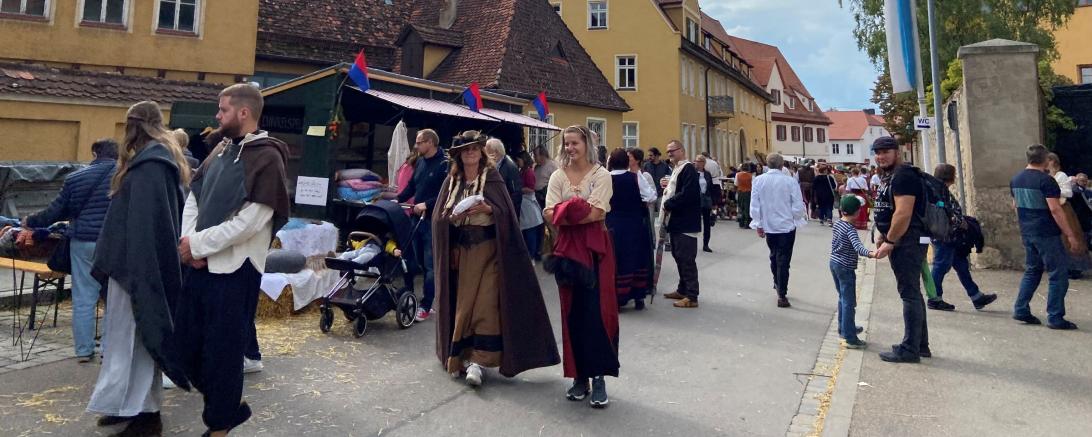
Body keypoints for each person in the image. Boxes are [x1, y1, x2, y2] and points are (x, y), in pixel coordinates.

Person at [174, 85, 290, 436]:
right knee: (183, 347)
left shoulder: (267, 156)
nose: (217, 115)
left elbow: (251, 222)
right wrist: (189, 242)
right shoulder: (221, 150)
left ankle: (220, 424)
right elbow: (194, 195)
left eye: (223, 110)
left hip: (235, 271)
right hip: (200, 266)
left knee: (223, 354)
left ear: (243, 113)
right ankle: (229, 407)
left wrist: (197, 246)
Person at [87, 101, 192, 436]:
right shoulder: (152, 161)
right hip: (132, 269)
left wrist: (143, 277)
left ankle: (145, 413)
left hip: (139, 271)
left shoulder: (151, 166)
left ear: (137, 126)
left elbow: (146, 230)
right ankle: (123, 406)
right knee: (123, 340)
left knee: (140, 340)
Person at [432, 131, 560, 387]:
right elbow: (438, 217)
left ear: (481, 152)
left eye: (474, 149)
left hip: (490, 251)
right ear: (458, 155)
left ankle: (479, 361)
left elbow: (507, 211)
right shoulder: (452, 180)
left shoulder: (491, 177)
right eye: (465, 150)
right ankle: (460, 356)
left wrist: (490, 208)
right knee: (463, 304)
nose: (470, 153)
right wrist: (452, 219)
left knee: (486, 304)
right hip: (460, 253)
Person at [543, 125, 619, 408]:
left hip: (595, 249)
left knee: (597, 313)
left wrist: (567, 211)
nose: (570, 148)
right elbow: (549, 213)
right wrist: (576, 209)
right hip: (566, 251)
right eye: (567, 144)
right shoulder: (557, 176)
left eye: (575, 143)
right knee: (571, 313)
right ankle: (579, 377)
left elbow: (597, 212)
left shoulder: (602, 176)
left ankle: (599, 376)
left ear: (587, 144)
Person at [23, 139, 116, 363]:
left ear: (95, 154)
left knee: (84, 297)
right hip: (113, 244)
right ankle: (108, 350)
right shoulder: (125, 176)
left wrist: (31, 221)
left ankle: (84, 351)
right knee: (113, 299)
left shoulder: (75, 178)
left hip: (82, 241)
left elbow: (56, 211)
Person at [871, 136, 931, 363]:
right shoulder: (892, 176)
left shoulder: (903, 176)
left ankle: (910, 349)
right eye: (877, 152)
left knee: (909, 294)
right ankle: (920, 344)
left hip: (908, 241)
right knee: (912, 292)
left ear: (897, 152)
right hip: (903, 240)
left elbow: (903, 213)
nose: (881, 156)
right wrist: (884, 234)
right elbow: (890, 209)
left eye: (886, 151)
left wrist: (891, 240)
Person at [1011, 145, 1081, 330]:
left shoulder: (1015, 179)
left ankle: (1020, 308)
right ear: (1045, 160)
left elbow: (1016, 206)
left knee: (1032, 270)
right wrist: (1070, 235)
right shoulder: (1046, 181)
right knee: (1058, 274)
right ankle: (1055, 316)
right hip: (1046, 232)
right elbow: (1055, 209)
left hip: (1027, 231)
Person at [923, 163, 998, 312]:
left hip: (949, 236)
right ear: (950, 177)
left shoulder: (935, 189)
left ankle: (976, 296)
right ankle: (934, 298)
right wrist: (961, 223)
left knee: (961, 266)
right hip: (945, 236)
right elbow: (945, 212)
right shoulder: (939, 192)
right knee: (941, 266)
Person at [398, 129, 449, 322]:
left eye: (419, 143)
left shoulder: (444, 164)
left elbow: (447, 193)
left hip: (432, 220)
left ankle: (427, 304)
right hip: (416, 218)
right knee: (414, 261)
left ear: (430, 142)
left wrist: (427, 204)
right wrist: (398, 200)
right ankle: (411, 296)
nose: (417, 146)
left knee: (430, 264)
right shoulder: (420, 162)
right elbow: (412, 186)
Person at [750, 153, 806, 308]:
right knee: (784, 259)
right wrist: (797, 217)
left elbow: (755, 204)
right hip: (786, 225)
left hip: (769, 225)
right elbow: (797, 203)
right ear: (782, 166)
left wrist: (758, 223)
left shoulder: (759, 181)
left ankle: (777, 282)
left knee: (774, 255)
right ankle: (782, 292)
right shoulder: (789, 181)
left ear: (767, 164)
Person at [606, 148, 654, 310]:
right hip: (633, 225)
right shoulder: (635, 178)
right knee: (635, 258)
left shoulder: (604, 178)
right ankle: (638, 296)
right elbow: (650, 196)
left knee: (616, 260)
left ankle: (618, 297)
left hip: (612, 225)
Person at [659, 140, 702, 308]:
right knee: (678, 256)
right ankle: (683, 289)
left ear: (682, 151)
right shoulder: (677, 168)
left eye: (673, 150)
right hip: (676, 221)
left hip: (686, 221)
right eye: (668, 151)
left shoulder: (688, 168)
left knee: (686, 259)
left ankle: (692, 296)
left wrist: (669, 203)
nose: (669, 154)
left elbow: (688, 194)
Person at [831, 195, 877, 349]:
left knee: (842, 297)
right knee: (849, 302)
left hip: (834, 263)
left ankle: (843, 327)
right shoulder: (850, 229)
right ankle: (850, 337)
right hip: (845, 267)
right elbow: (858, 247)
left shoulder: (838, 224)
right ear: (857, 212)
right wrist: (871, 254)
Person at [1045, 153, 1090, 279]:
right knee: (1059, 240)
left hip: (1064, 209)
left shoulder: (1061, 175)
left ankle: (1075, 268)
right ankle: (1062, 267)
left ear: (1053, 161)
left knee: (1070, 236)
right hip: (1053, 207)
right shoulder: (1047, 175)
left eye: (1047, 160)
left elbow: (1068, 193)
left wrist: (1053, 190)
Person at [515, 151, 544, 261]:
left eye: (519, 160)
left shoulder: (528, 172)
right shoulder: (522, 171)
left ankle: (531, 255)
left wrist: (518, 189)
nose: (518, 162)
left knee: (530, 230)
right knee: (526, 230)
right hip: (524, 204)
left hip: (529, 204)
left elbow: (531, 188)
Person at [486, 138, 523, 221]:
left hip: (507, 214)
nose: (486, 155)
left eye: (487, 152)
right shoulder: (497, 164)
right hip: (499, 211)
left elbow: (516, 194)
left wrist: (506, 210)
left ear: (496, 152)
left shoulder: (510, 166)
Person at [694, 154, 722, 253]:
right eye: (696, 161)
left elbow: (710, 188)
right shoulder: (692, 173)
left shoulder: (707, 174)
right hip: (695, 201)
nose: (697, 163)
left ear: (703, 163)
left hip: (706, 201)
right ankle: (692, 245)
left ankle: (706, 244)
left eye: (700, 161)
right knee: (694, 223)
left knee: (707, 224)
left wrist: (713, 202)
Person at [642, 147, 672, 217]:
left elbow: (670, 178)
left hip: (661, 194)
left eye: (651, 155)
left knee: (662, 217)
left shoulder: (665, 166)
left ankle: (662, 228)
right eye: (649, 155)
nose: (649, 157)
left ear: (657, 155)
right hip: (650, 195)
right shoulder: (646, 165)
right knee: (650, 218)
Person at [736, 163, 753, 228]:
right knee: (747, 208)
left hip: (740, 192)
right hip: (748, 192)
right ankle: (747, 223)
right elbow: (753, 184)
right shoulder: (751, 176)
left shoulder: (738, 175)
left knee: (741, 207)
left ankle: (741, 222)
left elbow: (736, 183)